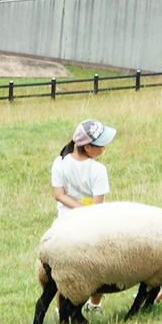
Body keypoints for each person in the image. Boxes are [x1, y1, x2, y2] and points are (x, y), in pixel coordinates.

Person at [50, 119, 116, 312]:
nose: (103, 148)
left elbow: (59, 194)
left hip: (64, 223)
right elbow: (97, 206)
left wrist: (77, 209)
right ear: (87, 147)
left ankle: (60, 309)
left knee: (63, 269)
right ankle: (95, 304)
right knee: (99, 265)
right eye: (100, 145)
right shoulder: (98, 170)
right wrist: (84, 211)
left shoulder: (59, 162)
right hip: (90, 224)